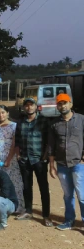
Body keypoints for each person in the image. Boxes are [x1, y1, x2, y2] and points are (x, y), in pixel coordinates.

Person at [48, 93, 84, 231]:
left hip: (78, 164)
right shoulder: (55, 124)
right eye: (59, 104)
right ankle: (69, 221)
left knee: (81, 195)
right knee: (68, 195)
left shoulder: (81, 120)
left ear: (71, 104)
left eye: (65, 103)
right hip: (62, 165)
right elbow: (51, 146)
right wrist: (51, 166)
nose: (62, 106)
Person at [15, 98, 52, 226]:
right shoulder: (21, 122)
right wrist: (18, 155)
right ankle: (28, 211)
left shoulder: (43, 121)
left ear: (36, 107)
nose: (29, 107)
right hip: (25, 160)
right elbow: (18, 140)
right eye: (27, 105)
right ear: (24, 108)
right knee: (26, 186)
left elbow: (49, 141)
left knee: (43, 187)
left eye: (32, 105)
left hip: (39, 160)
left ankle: (46, 216)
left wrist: (45, 156)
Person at [0, 105, 25, 214]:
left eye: (3, 112)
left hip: (10, 157)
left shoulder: (14, 126)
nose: (1, 115)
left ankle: (16, 206)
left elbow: (14, 143)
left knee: (13, 180)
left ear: (8, 113)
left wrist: (8, 159)